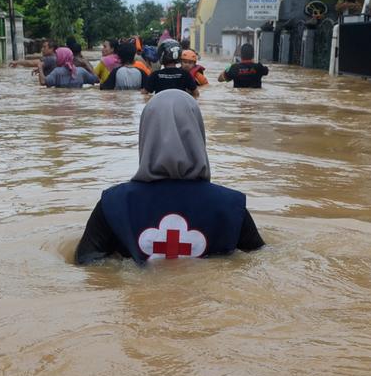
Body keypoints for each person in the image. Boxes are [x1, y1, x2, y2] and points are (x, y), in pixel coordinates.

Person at [75, 90, 265, 265]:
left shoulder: (113, 203)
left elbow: (87, 264)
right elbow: (261, 259)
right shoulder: (231, 205)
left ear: (146, 133)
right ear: (198, 133)